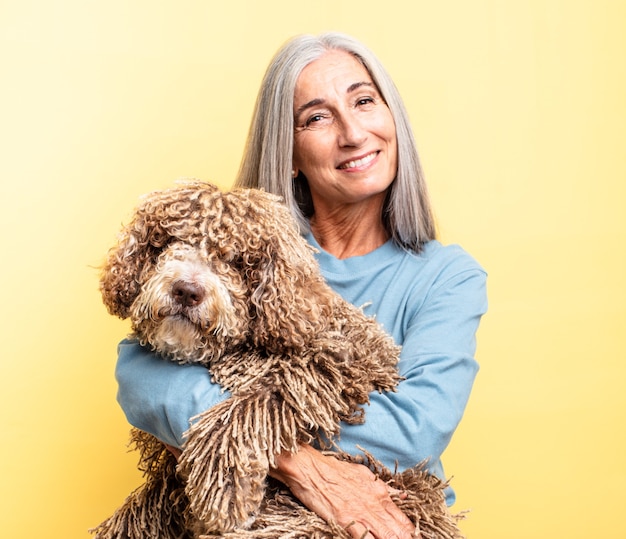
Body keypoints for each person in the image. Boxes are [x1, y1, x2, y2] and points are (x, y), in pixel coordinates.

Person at [115, 32, 487, 539]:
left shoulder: (447, 276)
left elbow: (412, 430)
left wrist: (238, 438)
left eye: (364, 101)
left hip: (384, 522)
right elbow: (141, 376)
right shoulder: (246, 258)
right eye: (316, 117)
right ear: (288, 153)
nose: (353, 132)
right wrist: (304, 468)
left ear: (392, 118)